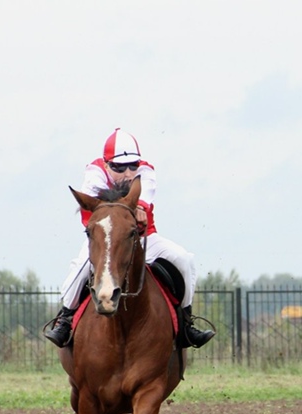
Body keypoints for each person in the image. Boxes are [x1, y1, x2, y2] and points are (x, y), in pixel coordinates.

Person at [45, 128, 216, 348]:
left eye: (132, 165)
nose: (127, 173)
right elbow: (90, 201)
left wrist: (141, 206)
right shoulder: (94, 173)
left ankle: (186, 324)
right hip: (104, 243)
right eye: (119, 167)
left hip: (145, 240)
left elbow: (144, 196)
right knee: (78, 270)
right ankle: (65, 321)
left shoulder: (146, 171)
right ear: (106, 165)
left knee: (184, 259)